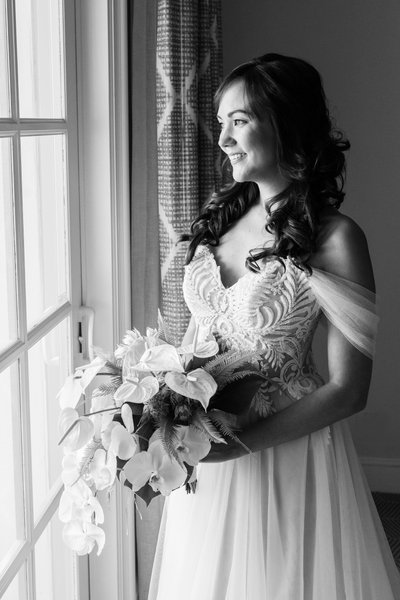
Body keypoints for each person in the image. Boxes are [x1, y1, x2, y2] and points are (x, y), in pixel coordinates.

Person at [148, 53, 400, 599]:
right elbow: (201, 337)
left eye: (239, 121)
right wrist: (162, 402)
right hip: (209, 445)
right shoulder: (222, 217)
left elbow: (349, 390)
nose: (223, 140)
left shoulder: (335, 238)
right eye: (221, 124)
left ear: (285, 122)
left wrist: (240, 446)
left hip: (285, 449)